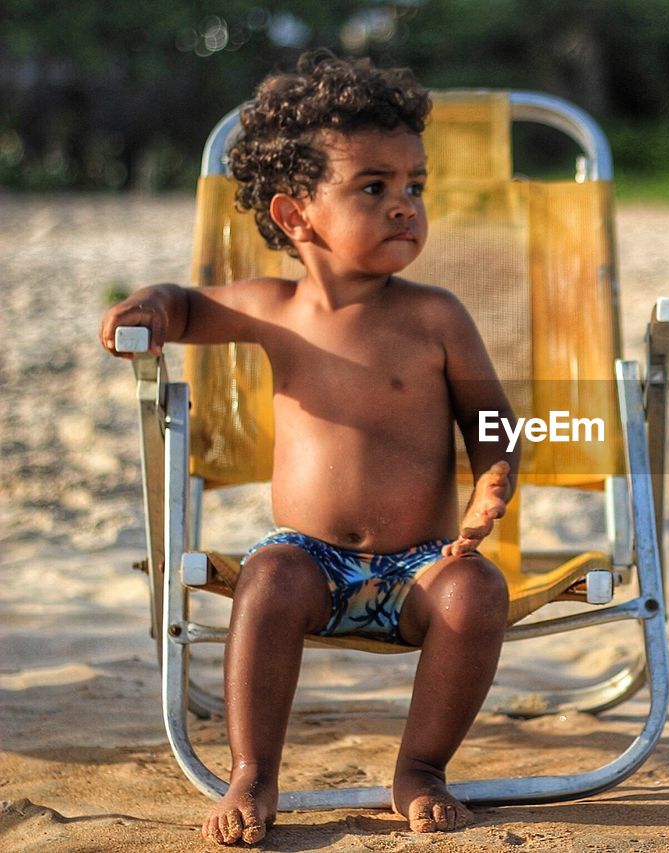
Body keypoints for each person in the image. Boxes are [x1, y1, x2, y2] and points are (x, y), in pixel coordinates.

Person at [99, 51, 519, 844]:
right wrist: (148, 306)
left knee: (478, 593)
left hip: (419, 563)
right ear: (296, 217)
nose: (406, 206)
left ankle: (421, 767)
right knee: (269, 573)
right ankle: (254, 773)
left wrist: (494, 476)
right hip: (311, 558)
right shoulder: (273, 308)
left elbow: (492, 415)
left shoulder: (438, 316)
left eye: (415, 186)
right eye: (374, 186)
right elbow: (186, 306)